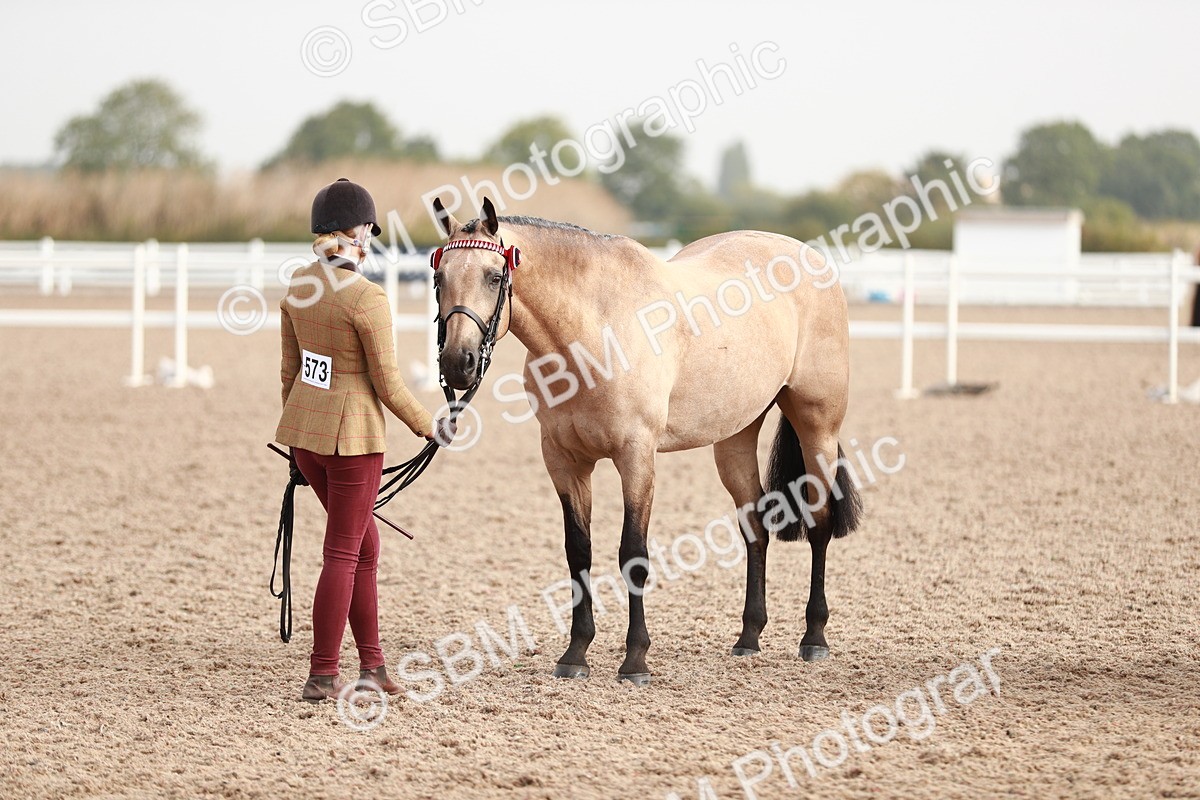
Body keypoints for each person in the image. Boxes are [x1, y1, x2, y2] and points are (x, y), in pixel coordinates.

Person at [275, 178, 453, 702]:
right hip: (352, 442)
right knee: (342, 553)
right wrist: (430, 424)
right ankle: (323, 672)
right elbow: (388, 384)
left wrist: (296, 435)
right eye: (368, 232)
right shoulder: (367, 298)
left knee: (364, 547)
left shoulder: (297, 287)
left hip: (306, 439)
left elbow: (291, 374)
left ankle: (372, 665)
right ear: (354, 235)